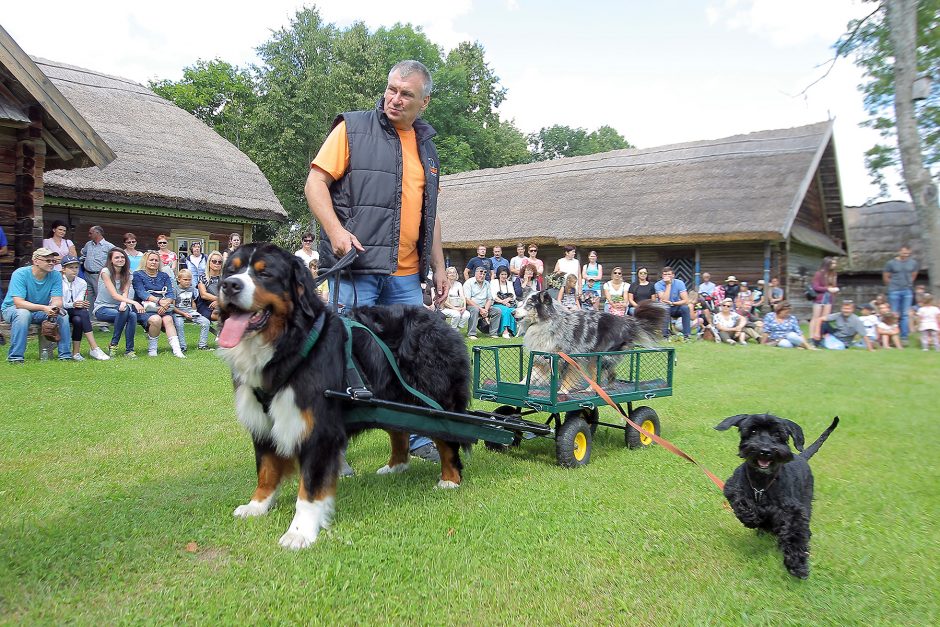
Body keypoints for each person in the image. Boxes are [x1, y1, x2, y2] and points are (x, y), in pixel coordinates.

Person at [304, 60, 447, 464]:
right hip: (357, 271)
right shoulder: (352, 128)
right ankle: (334, 450)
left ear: (425, 102)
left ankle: (416, 439)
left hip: (405, 277)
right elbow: (315, 182)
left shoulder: (427, 148)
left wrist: (438, 265)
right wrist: (334, 231)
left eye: (406, 94)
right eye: (391, 89)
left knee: (411, 360)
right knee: (342, 360)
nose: (394, 99)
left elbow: (431, 213)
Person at [2, 248, 72, 363]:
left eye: (53, 261)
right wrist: (44, 308)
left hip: (39, 310)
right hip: (13, 309)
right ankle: (16, 357)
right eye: (47, 260)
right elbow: (19, 303)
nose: (51, 263)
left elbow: (57, 300)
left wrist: (53, 309)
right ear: (36, 261)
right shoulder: (20, 274)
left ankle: (65, 356)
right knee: (23, 314)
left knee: (62, 314)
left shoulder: (55, 275)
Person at [133, 251, 186, 358]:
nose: (154, 262)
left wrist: (165, 305)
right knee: (156, 319)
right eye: (151, 260)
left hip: (163, 306)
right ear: (145, 261)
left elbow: (170, 292)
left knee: (168, 320)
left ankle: (177, 350)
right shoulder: (138, 274)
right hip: (144, 308)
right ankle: (152, 349)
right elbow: (141, 292)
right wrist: (158, 301)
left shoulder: (164, 275)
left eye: (156, 260)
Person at [60, 255, 110, 361]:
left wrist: (81, 304)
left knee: (79, 318)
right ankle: (94, 347)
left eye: (76, 267)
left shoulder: (81, 282)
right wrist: (73, 304)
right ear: (63, 269)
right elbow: (59, 303)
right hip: (61, 310)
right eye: (71, 267)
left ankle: (76, 353)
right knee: (82, 314)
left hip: (75, 311)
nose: (74, 270)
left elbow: (79, 301)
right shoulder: (59, 282)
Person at [94, 248, 142, 358]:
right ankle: (115, 344)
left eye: (122, 257)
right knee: (129, 314)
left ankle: (128, 350)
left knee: (132, 315)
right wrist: (134, 303)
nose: (120, 259)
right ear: (110, 260)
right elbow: (114, 295)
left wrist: (124, 303)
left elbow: (125, 292)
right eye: (117, 257)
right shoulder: (105, 272)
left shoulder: (128, 273)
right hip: (102, 308)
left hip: (118, 307)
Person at [883, 245, 919, 342]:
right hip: (894, 290)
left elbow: (914, 274)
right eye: (904, 253)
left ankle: (904, 336)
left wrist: (909, 283)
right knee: (894, 314)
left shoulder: (913, 263)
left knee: (905, 314)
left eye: (907, 253)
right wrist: (891, 285)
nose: (905, 255)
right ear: (899, 252)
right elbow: (886, 276)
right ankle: (892, 334)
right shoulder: (891, 263)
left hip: (907, 290)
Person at [172, 268, 212, 351]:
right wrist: (183, 314)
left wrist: (194, 312)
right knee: (179, 325)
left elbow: (193, 302)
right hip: (178, 312)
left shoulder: (192, 289)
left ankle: (202, 345)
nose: (187, 282)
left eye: (189, 280)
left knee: (206, 322)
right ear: (179, 280)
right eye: (185, 279)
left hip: (190, 311)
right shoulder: (175, 290)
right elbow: (173, 306)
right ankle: (182, 346)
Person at [79, 225, 115, 311]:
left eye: (90, 233)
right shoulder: (88, 244)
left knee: (99, 295)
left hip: (99, 275)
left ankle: (100, 316)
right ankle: (89, 317)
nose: (89, 235)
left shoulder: (109, 246)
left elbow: (115, 258)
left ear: (97, 233)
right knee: (89, 296)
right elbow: (83, 253)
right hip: (87, 274)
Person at [654, 266, 691, 340]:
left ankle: (687, 335)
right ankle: (665, 336)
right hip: (664, 307)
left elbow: (686, 300)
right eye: (665, 275)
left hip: (675, 305)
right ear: (662, 276)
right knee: (666, 307)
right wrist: (668, 285)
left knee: (685, 308)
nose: (667, 276)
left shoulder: (679, 283)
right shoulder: (658, 284)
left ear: (673, 275)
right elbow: (664, 300)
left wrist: (673, 303)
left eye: (669, 274)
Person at [810, 257, 839, 343]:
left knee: (824, 318)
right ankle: (812, 337)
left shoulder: (833, 274)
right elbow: (816, 287)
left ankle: (820, 336)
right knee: (816, 317)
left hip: (829, 298)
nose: (834, 265)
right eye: (832, 263)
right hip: (820, 298)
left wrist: (834, 289)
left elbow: (833, 285)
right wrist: (828, 289)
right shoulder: (819, 274)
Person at [464, 266, 497, 339]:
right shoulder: (469, 282)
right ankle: (472, 334)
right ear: (475, 274)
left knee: (497, 311)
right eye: (480, 274)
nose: (482, 276)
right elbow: (467, 299)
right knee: (475, 310)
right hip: (471, 306)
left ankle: (493, 333)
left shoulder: (487, 283)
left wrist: (485, 310)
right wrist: (480, 309)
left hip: (484, 307)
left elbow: (489, 299)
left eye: (484, 274)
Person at [490, 266, 518, 338]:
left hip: (508, 303)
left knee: (511, 310)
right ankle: (505, 331)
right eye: (502, 274)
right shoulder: (493, 282)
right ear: (498, 275)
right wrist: (503, 302)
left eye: (505, 274)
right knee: (505, 310)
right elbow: (493, 296)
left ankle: (511, 331)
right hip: (497, 303)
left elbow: (513, 295)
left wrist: (507, 300)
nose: (504, 276)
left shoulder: (509, 283)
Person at [198, 251, 224, 321]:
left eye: (219, 262)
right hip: (206, 305)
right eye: (214, 261)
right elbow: (203, 294)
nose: (217, 263)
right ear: (209, 262)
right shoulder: (203, 277)